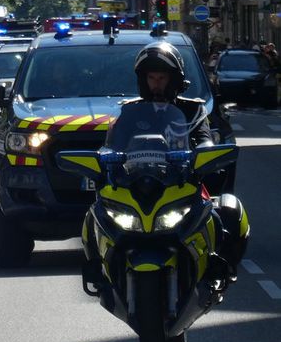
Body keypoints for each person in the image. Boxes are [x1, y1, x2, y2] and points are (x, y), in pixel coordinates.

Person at [82, 41, 247, 288]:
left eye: (162, 77)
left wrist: (202, 153)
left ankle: (219, 268)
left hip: (182, 184)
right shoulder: (129, 112)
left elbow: (204, 141)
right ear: (143, 80)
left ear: (175, 79)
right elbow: (112, 144)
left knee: (229, 211)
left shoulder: (194, 110)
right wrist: (104, 157)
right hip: (137, 185)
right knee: (94, 214)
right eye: (152, 77)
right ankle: (99, 271)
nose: (157, 83)